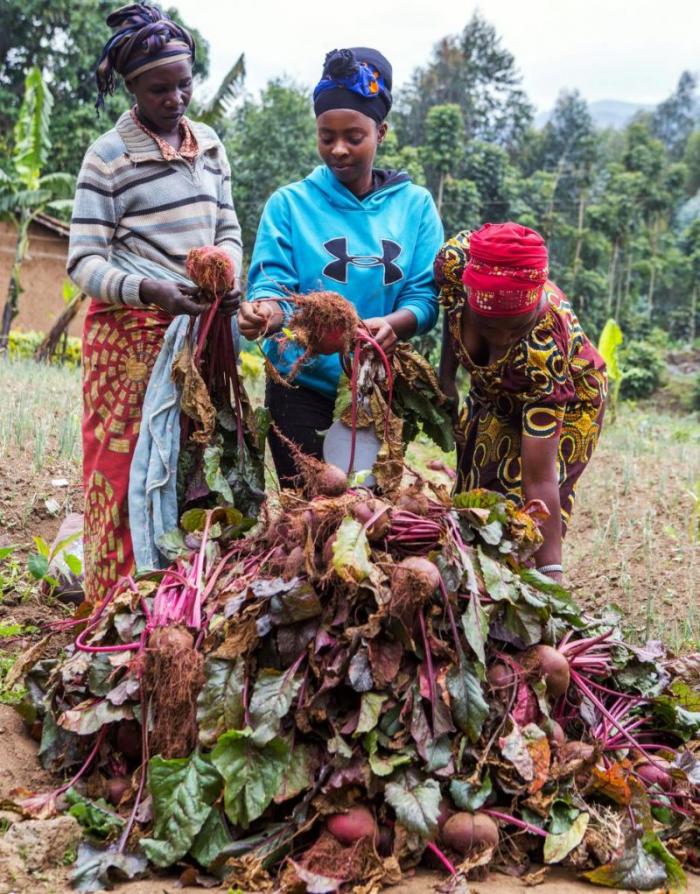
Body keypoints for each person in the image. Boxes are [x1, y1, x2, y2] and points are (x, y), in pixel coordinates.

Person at [67, 2, 242, 601]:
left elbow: (227, 224)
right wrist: (150, 289)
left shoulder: (211, 146)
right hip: (132, 339)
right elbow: (83, 262)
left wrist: (227, 271)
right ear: (131, 86)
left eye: (184, 84)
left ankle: (176, 599)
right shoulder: (106, 158)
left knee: (193, 464)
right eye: (158, 88)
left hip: (198, 329)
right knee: (123, 471)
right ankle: (114, 603)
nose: (175, 98)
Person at [238, 47, 443, 485]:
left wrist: (394, 324)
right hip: (300, 385)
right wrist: (265, 313)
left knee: (369, 517)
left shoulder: (416, 207)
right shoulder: (289, 204)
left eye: (354, 136)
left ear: (381, 131)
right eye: (325, 136)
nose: (338, 149)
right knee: (307, 517)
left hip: (374, 388)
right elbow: (272, 284)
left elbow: (424, 296)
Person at [436, 224, 607, 581]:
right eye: (490, 327)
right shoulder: (453, 266)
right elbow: (451, 314)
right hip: (495, 390)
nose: (503, 340)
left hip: (572, 396)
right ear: (470, 292)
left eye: (516, 329)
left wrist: (551, 577)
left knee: (522, 519)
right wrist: (447, 379)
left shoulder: (543, 351)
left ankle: (529, 585)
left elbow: (540, 479)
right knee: (474, 494)